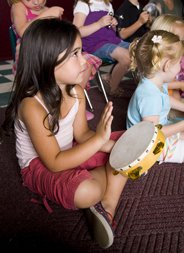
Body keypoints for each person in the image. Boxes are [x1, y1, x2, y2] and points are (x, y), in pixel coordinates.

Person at [2, 18, 128, 249]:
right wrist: (101, 141)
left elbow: (81, 135)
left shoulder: (77, 91)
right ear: (47, 61)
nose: (83, 60)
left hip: (70, 150)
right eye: (75, 54)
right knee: (87, 192)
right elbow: (55, 163)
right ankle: (103, 186)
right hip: (40, 164)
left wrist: (112, 146)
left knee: (127, 145)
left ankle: (107, 206)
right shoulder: (31, 105)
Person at [7, 0, 102, 120]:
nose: (36, 2)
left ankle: (73, 103)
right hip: (33, 55)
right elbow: (22, 31)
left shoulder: (47, 9)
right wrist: (46, 15)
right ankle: (52, 107)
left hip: (53, 51)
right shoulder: (19, 6)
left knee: (85, 63)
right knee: (57, 69)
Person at [126, 30, 184, 164]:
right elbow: (153, 133)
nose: (181, 67)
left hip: (160, 128)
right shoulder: (149, 96)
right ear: (167, 65)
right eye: (179, 62)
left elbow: (164, 99)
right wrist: (182, 126)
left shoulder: (155, 80)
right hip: (147, 145)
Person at [73, 0, 131, 98]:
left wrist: (113, 25)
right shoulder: (83, 4)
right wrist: (99, 24)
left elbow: (110, 31)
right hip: (95, 45)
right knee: (127, 56)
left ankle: (110, 79)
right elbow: (76, 31)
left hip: (114, 42)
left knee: (142, 52)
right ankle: (112, 88)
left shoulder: (107, 5)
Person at [151, 14, 184, 118]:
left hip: (172, 101)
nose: (181, 43)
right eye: (177, 39)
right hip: (161, 111)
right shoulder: (153, 61)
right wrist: (179, 85)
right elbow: (155, 85)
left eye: (182, 39)